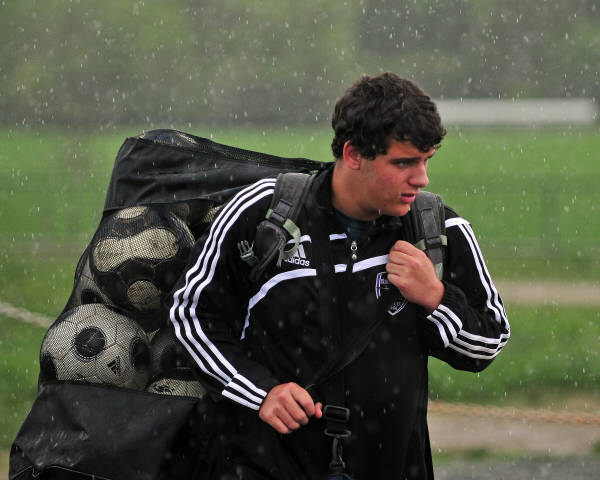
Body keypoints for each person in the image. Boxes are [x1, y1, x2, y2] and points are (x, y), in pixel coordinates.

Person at [169, 72, 510, 479]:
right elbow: (191, 315)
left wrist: (437, 298)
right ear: (353, 154)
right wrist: (262, 392)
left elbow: (488, 343)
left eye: (426, 160)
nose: (421, 178)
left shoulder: (438, 231)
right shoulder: (264, 215)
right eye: (403, 162)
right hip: (266, 464)